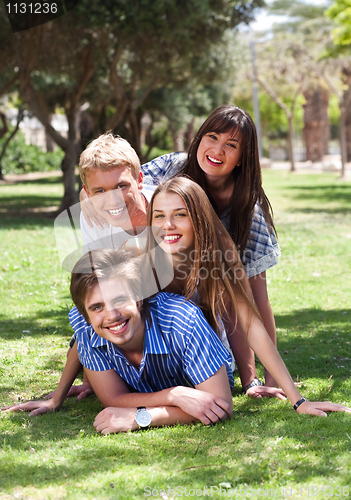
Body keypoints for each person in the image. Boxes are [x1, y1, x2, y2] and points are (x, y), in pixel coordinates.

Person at [81, 105, 280, 391]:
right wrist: (88, 197)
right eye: (211, 137)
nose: (217, 150)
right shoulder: (174, 167)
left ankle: (228, 368)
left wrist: (258, 379)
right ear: (198, 139)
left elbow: (253, 303)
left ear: (242, 158)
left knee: (228, 295)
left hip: (203, 294)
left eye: (231, 145)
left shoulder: (248, 214)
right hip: (165, 297)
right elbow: (114, 177)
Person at [2, 249, 234, 433]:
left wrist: (142, 417)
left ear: (139, 299)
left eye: (120, 300)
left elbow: (220, 405)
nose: (112, 315)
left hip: (206, 371)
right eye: (97, 307)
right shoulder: (87, 328)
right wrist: (173, 395)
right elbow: (114, 399)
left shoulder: (182, 320)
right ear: (86, 314)